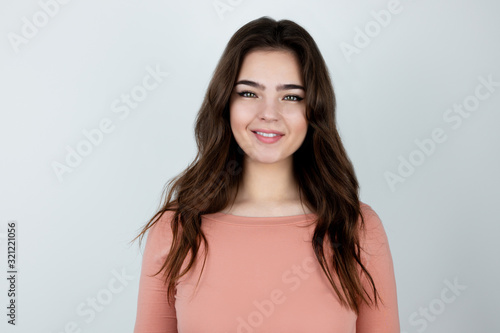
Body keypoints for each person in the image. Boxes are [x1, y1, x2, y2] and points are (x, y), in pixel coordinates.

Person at [131, 16, 400, 332]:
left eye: (291, 97)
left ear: (313, 109)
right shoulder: (177, 228)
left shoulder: (357, 229)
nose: (269, 113)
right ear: (225, 103)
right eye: (249, 93)